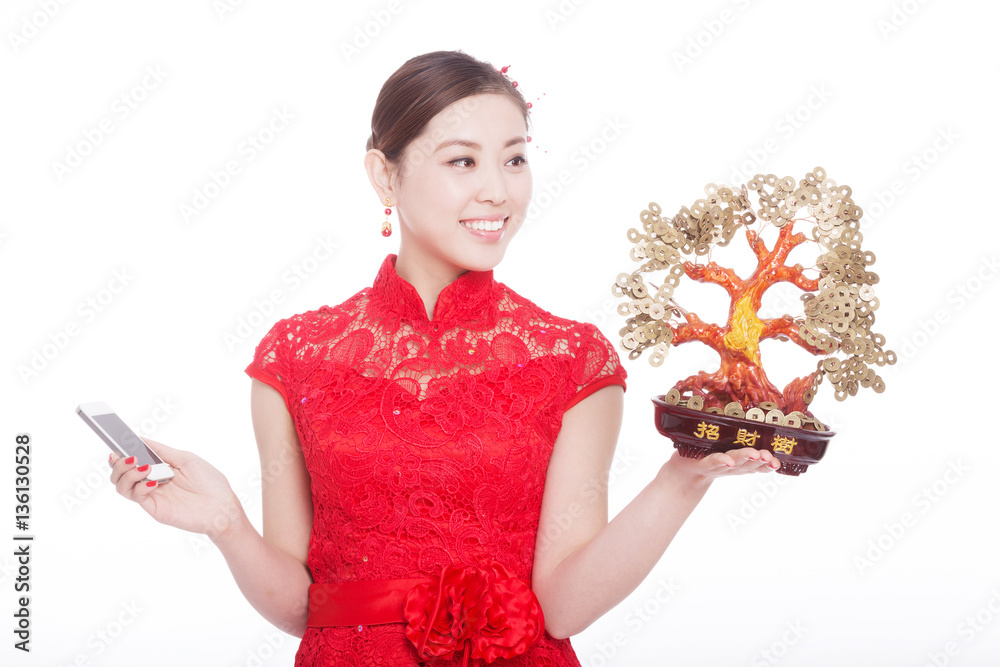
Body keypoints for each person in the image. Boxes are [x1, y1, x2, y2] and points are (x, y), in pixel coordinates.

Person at [108, 50, 781, 666]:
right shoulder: (295, 356)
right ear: (384, 174)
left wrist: (680, 479)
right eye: (463, 160)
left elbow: (565, 604)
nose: (498, 190)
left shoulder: (572, 359)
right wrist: (226, 523)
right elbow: (302, 608)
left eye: (515, 159)